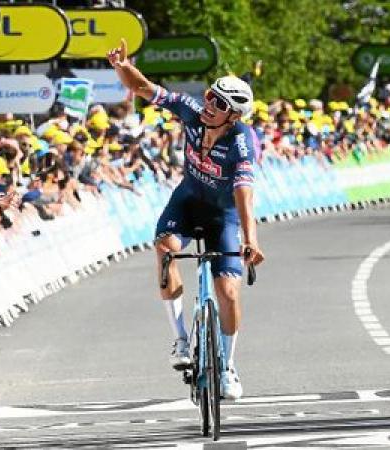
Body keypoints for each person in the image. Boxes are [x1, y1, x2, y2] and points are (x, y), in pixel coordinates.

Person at [107, 38, 265, 400]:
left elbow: (244, 192)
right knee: (164, 248)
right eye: (210, 95)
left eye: (220, 104)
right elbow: (145, 88)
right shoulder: (192, 111)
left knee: (228, 291)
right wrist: (122, 68)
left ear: (234, 115)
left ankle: (227, 366)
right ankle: (180, 339)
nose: (209, 105)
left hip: (223, 216)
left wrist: (251, 238)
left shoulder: (242, 140)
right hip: (188, 200)